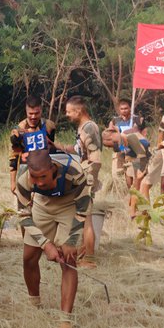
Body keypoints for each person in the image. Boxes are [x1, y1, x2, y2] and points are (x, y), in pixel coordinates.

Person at [15, 149, 92, 328]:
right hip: (42, 205)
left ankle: (65, 320)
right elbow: (23, 215)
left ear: (54, 170)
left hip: (69, 204)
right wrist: (46, 244)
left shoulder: (76, 173)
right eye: (35, 178)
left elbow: (82, 212)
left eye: (43, 177)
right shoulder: (23, 178)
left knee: (69, 260)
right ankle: (34, 303)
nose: (39, 182)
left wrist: (71, 242)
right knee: (29, 257)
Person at [61, 95, 103, 264]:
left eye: (69, 111)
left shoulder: (89, 128)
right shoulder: (82, 128)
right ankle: (84, 251)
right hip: (82, 175)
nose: (67, 115)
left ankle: (90, 259)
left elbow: (96, 158)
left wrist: (88, 180)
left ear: (78, 111)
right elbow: (80, 150)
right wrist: (60, 147)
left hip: (86, 177)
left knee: (86, 219)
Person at [7, 96, 57, 193]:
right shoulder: (18, 130)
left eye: (36, 113)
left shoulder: (49, 126)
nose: (33, 117)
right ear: (26, 111)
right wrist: (13, 182)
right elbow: (13, 158)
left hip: (44, 170)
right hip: (25, 169)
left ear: (41, 110)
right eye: (30, 113)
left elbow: (52, 150)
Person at [101, 127, 153, 217]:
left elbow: (141, 155)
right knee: (132, 186)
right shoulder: (121, 142)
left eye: (109, 145)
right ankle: (136, 210)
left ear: (111, 137)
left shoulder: (130, 137)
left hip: (142, 160)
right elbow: (124, 152)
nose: (110, 147)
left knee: (138, 187)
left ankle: (139, 212)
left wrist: (139, 173)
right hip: (132, 161)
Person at [109, 98, 146, 190]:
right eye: (122, 109)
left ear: (130, 108)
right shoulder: (115, 121)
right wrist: (121, 146)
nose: (124, 110)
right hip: (120, 150)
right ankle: (123, 194)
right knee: (117, 174)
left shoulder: (137, 120)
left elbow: (143, 135)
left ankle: (134, 194)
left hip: (134, 152)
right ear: (119, 109)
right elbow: (111, 136)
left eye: (126, 108)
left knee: (133, 174)